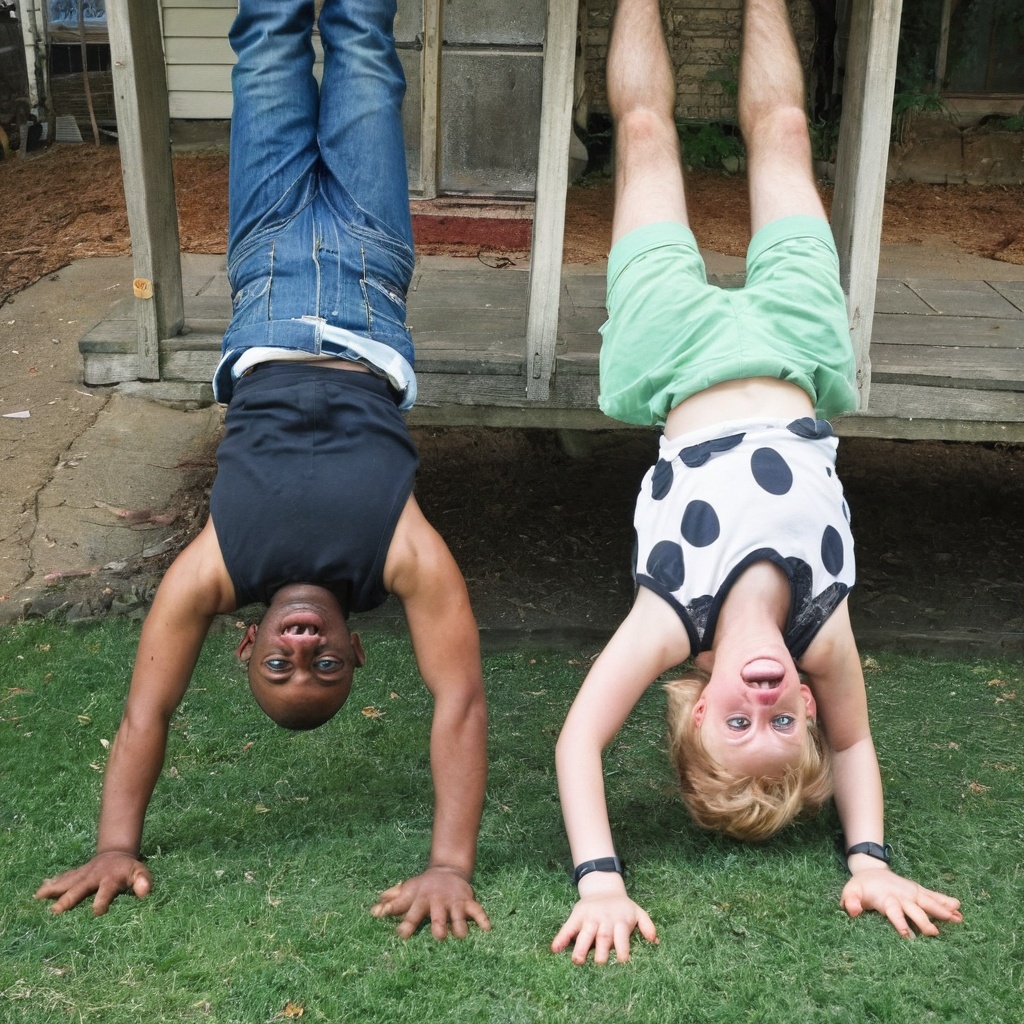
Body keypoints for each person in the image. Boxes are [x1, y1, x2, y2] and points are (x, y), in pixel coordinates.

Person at [34, 0, 490, 943]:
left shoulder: (218, 563)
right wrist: (449, 864)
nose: (303, 649)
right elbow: (459, 701)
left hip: (266, 266)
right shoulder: (397, 556)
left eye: (282, 665)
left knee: (271, 34)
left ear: (246, 646)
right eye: (324, 665)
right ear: (357, 651)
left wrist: (117, 844)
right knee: (362, 37)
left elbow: (147, 710)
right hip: (369, 274)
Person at [551, 0, 962, 965]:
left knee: (644, 134)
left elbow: (577, 744)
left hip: (674, 350)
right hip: (794, 346)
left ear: (699, 709)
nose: (767, 699)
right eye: (782, 721)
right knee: (783, 129)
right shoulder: (826, 629)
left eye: (740, 722)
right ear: (809, 708)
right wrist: (867, 859)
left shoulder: (668, 620)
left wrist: (600, 879)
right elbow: (854, 747)